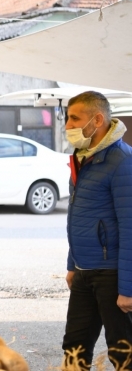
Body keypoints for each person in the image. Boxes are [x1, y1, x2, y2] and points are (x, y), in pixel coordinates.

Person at [62, 91, 132, 369]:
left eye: (75, 118)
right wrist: (71, 264)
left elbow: (130, 227)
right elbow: (78, 216)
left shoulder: (121, 162)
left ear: (98, 119)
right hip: (84, 271)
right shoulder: (84, 156)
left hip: (113, 274)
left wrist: (127, 288)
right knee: (74, 348)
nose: (68, 125)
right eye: (67, 118)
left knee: (122, 351)